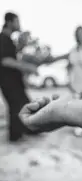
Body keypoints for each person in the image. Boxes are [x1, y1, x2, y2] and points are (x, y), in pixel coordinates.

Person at [0, 12, 40, 142]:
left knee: (23, 104)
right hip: (8, 82)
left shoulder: (8, 39)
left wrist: (21, 45)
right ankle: (15, 138)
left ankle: (26, 131)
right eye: (17, 21)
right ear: (10, 22)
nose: (19, 24)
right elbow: (5, 60)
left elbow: (10, 54)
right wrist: (27, 66)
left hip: (14, 82)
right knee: (17, 108)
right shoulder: (3, 38)